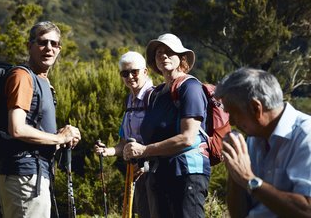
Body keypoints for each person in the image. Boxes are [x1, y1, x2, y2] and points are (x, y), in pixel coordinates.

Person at [0, 21, 81, 218]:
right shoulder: (22, 77)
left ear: (60, 49)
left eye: (54, 44)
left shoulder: (42, 80)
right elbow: (17, 128)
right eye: (43, 42)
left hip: (34, 174)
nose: (49, 48)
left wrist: (61, 138)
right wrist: (59, 139)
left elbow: (33, 129)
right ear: (29, 46)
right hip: (25, 176)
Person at [123, 33, 210, 218]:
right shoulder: (156, 94)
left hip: (187, 173)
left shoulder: (190, 87)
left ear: (182, 58)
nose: (163, 55)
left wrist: (144, 150)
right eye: (159, 52)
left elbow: (187, 138)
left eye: (169, 52)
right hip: (160, 174)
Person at [215, 67, 311, 218]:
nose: (232, 122)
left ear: (255, 108)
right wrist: (235, 172)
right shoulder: (253, 139)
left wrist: (249, 180)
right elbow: (238, 214)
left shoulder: (306, 136)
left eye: (233, 114)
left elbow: (307, 210)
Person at [94, 51, 154, 218]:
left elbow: (163, 140)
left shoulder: (154, 97)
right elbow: (124, 144)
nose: (130, 77)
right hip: (136, 175)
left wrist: (146, 164)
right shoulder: (129, 101)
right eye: (125, 73)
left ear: (145, 71)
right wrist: (108, 151)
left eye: (134, 72)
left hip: (154, 174)